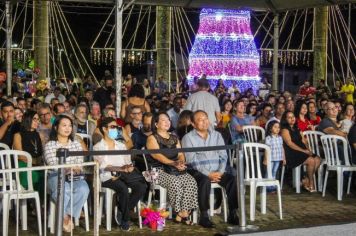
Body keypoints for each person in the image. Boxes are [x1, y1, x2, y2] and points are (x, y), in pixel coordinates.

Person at [182, 110, 239, 228]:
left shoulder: (216, 135)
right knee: (204, 180)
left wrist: (220, 171)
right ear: (193, 124)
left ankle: (233, 213)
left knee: (232, 179)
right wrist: (208, 174)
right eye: (200, 120)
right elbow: (192, 160)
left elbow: (223, 155)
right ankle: (204, 215)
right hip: (198, 171)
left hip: (217, 170)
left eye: (206, 118)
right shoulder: (188, 138)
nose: (204, 122)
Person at [93, 117, 146, 231]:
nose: (116, 130)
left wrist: (129, 167)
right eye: (112, 127)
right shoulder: (98, 147)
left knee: (142, 186)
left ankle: (121, 210)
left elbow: (127, 162)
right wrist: (121, 169)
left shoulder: (121, 145)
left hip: (124, 175)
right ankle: (125, 220)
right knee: (123, 188)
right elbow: (103, 166)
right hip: (108, 177)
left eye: (117, 127)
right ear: (104, 129)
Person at [146, 112, 198, 224]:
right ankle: (179, 212)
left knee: (191, 181)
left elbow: (180, 154)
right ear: (156, 124)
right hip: (157, 171)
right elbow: (157, 155)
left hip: (174, 169)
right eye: (163, 120)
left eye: (168, 120)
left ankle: (183, 212)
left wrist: (180, 162)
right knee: (175, 182)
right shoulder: (152, 138)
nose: (167, 122)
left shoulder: (174, 137)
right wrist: (173, 163)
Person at [44, 115, 89, 232]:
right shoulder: (50, 145)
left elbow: (79, 163)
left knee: (84, 188)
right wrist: (68, 168)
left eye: (70, 125)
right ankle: (64, 217)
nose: (67, 128)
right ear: (55, 127)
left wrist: (74, 169)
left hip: (74, 175)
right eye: (64, 125)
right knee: (65, 189)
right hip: (55, 176)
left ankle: (67, 215)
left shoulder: (76, 144)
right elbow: (53, 164)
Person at [280, 111, 321, 192]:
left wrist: (308, 150)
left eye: (293, 117)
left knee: (318, 159)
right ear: (285, 119)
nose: (292, 119)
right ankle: (311, 182)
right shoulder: (284, 130)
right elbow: (289, 143)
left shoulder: (297, 128)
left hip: (301, 150)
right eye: (289, 117)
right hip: (292, 152)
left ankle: (306, 179)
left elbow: (304, 141)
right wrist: (304, 151)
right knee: (311, 160)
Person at [13, 111, 43, 195]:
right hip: (24, 164)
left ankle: (41, 203)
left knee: (47, 174)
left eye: (38, 119)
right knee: (34, 174)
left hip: (37, 164)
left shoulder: (39, 134)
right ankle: (30, 200)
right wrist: (34, 162)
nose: (37, 121)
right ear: (27, 119)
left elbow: (41, 153)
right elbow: (20, 156)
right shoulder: (18, 135)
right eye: (34, 119)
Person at [264, 120, 286, 193]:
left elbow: (282, 148)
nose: (277, 129)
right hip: (271, 158)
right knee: (269, 172)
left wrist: (284, 158)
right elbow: (267, 149)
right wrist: (266, 159)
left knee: (274, 172)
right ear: (270, 128)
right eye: (275, 127)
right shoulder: (269, 138)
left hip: (278, 158)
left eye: (278, 127)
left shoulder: (280, 138)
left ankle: (272, 186)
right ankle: (268, 187)